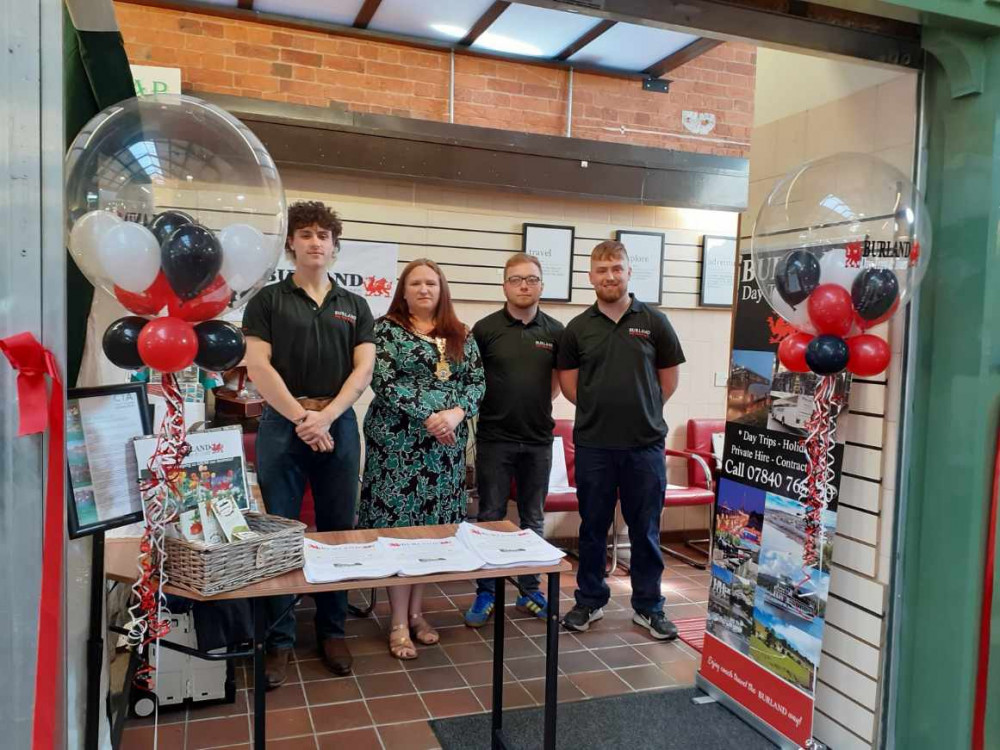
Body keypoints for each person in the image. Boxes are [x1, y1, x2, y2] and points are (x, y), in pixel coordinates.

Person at [242, 201, 375, 687]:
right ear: (291, 243)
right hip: (283, 424)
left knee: (339, 529)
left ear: (335, 246)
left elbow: (364, 370)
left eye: (324, 234)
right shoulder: (267, 301)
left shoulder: (355, 305)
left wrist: (327, 417)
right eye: (306, 234)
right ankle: (277, 641)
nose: (315, 241)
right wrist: (303, 418)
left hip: (338, 423)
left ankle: (332, 630)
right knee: (279, 532)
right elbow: (259, 367)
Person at [557, 240, 685, 641]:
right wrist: (604, 409)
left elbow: (668, 380)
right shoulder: (578, 328)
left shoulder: (655, 321)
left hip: (644, 446)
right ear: (590, 277)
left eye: (617, 268)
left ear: (629, 272)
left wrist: (641, 409)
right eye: (601, 270)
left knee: (644, 529)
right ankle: (589, 600)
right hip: (594, 445)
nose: (609, 276)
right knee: (592, 528)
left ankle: (649, 607)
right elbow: (570, 386)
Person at [359, 258, 485, 660]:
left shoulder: (461, 333)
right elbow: (384, 380)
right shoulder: (385, 330)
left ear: (442, 288)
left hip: (443, 451)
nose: (424, 289)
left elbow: (476, 382)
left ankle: (416, 613)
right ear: (404, 289)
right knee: (400, 531)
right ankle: (396, 621)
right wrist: (431, 414)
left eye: (431, 283)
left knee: (432, 531)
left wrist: (456, 413)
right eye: (416, 283)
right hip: (397, 447)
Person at [464, 252, 564, 627]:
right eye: (517, 279)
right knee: (490, 517)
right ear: (504, 285)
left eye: (532, 279)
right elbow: (473, 381)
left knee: (532, 519)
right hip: (495, 440)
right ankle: (486, 592)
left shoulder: (556, 331)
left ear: (541, 285)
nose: (525, 285)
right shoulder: (485, 329)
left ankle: (529, 590)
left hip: (538, 441)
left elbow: (556, 383)